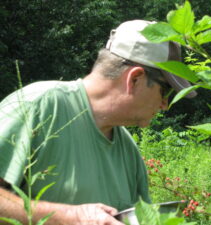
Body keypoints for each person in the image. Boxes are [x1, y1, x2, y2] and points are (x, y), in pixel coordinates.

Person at [0, 20, 197, 224]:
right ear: (135, 78)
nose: (165, 104)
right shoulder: (39, 106)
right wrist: (69, 217)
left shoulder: (128, 150)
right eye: (166, 90)